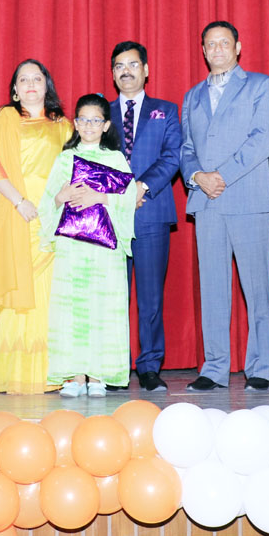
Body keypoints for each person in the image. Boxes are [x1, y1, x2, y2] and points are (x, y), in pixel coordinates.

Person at [180, 21, 269, 392]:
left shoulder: (261, 86)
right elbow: (186, 148)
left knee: (256, 288)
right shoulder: (192, 96)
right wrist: (197, 177)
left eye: (225, 42)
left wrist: (220, 175)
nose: (218, 49)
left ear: (238, 47)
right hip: (207, 201)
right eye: (211, 44)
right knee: (213, 289)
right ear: (203, 50)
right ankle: (215, 367)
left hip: (247, 198)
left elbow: (263, 138)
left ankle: (260, 365)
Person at [0, 59, 74, 394]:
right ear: (14, 89)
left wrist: (59, 203)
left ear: (47, 85)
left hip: (52, 221)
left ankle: (51, 373)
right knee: (18, 294)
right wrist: (19, 201)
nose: (31, 84)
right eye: (24, 79)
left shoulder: (63, 126)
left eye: (38, 78)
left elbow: (73, 169)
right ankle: (16, 373)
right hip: (16, 215)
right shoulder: (4, 120)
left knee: (48, 296)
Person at [40, 94, 138, 397]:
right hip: (73, 248)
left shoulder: (116, 159)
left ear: (106, 124)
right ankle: (75, 376)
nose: (90, 125)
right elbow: (47, 203)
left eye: (96, 120)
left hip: (105, 249)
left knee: (104, 307)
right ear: (75, 123)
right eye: (83, 119)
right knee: (72, 309)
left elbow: (129, 197)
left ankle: (99, 376)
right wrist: (62, 195)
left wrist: (100, 197)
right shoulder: (65, 159)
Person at [109, 41, 182, 392]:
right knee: (112, 295)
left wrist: (141, 188)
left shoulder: (165, 111)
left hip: (150, 212)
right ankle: (115, 366)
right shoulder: (101, 113)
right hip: (108, 219)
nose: (127, 71)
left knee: (151, 296)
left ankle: (149, 365)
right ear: (113, 73)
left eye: (133, 65)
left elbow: (173, 156)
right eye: (120, 66)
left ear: (146, 69)